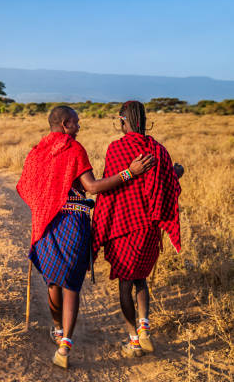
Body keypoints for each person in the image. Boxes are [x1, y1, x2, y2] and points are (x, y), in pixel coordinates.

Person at [16, 105, 155, 369]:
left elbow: (24, 187)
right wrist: (130, 173)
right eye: (77, 123)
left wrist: (46, 204)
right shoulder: (73, 148)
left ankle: (57, 330)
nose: (79, 128)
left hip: (45, 224)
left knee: (53, 282)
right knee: (71, 284)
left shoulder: (36, 152)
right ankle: (66, 345)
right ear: (66, 124)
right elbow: (91, 187)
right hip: (73, 222)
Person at [93, 101, 183, 358]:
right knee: (141, 279)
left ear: (123, 121)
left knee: (125, 284)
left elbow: (109, 189)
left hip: (123, 227)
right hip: (149, 230)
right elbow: (165, 186)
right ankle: (145, 329)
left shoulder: (117, 148)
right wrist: (176, 172)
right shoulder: (159, 150)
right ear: (145, 120)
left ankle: (133, 341)